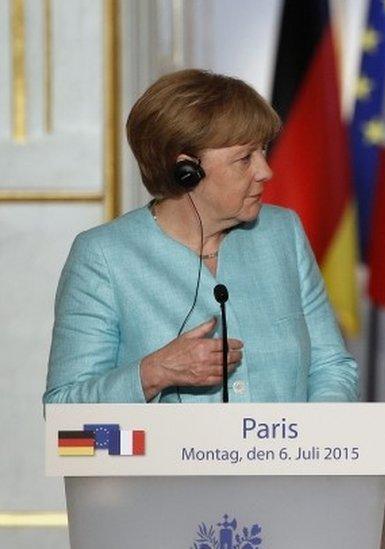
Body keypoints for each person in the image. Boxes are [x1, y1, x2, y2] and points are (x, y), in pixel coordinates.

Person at [44, 69, 358, 404]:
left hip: (287, 454)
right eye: (245, 158)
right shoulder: (103, 256)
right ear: (187, 171)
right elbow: (64, 411)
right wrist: (154, 373)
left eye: (263, 151)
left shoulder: (283, 233)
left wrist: (311, 445)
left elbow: (331, 367)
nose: (266, 171)